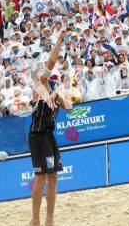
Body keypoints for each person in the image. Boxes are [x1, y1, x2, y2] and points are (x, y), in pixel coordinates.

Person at [29, 29, 73, 226]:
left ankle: (50, 219)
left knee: (53, 176)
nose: (44, 71)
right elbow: (52, 61)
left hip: (48, 137)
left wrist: (62, 97)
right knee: (40, 178)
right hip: (37, 136)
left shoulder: (53, 92)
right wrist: (60, 39)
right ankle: (35, 219)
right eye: (42, 69)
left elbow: (71, 108)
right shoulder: (39, 86)